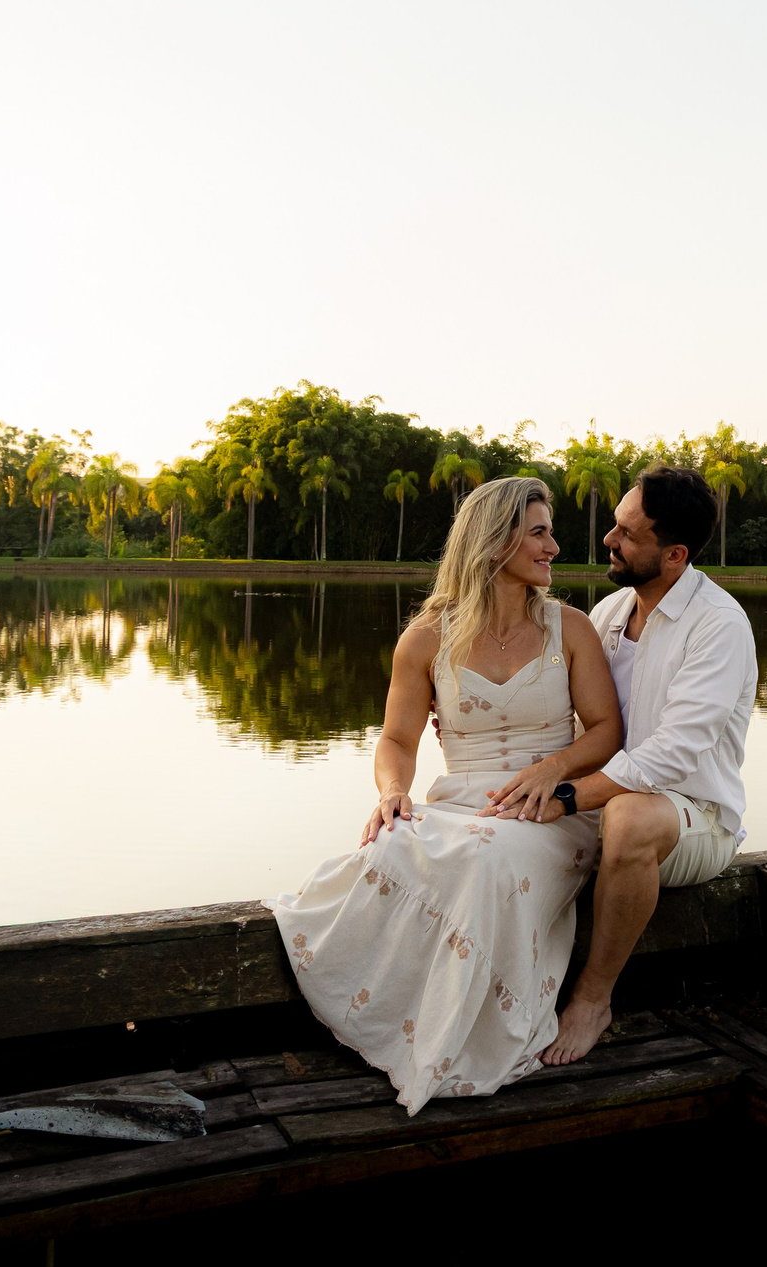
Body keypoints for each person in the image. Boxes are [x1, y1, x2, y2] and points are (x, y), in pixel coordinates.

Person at [272, 476, 624, 1114]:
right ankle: (395, 1026)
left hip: (550, 814)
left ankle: (464, 1042)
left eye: (549, 531)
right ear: (494, 543)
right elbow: (399, 739)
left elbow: (607, 731)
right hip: (461, 801)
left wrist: (555, 768)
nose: (553, 546)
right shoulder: (428, 638)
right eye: (539, 532)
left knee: (486, 859)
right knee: (391, 846)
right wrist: (392, 792)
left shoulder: (569, 629)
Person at [520, 465, 757, 1065]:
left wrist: (571, 797)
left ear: (674, 554)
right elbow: (567, 712)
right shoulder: (610, 613)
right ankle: (504, 999)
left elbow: (675, 752)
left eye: (627, 533)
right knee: (494, 817)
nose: (609, 540)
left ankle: (593, 999)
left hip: (694, 818)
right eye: (615, 527)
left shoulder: (718, 625)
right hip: (606, 801)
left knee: (627, 817)